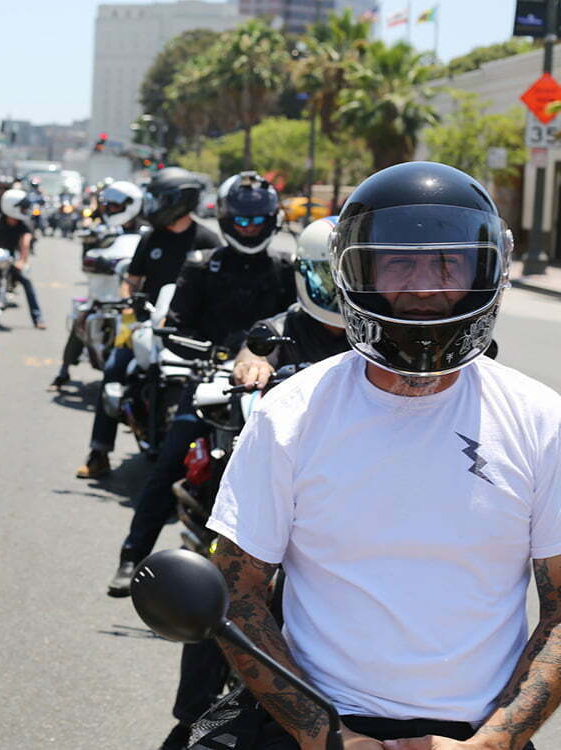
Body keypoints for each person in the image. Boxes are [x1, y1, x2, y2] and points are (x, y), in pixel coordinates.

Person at [203, 161, 558, 750]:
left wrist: (493, 743)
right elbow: (236, 595)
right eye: (399, 261)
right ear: (355, 271)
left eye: (448, 262)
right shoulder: (289, 413)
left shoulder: (541, 420)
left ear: (487, 271)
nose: (423, 285)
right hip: (319, 726)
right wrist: (327, 736)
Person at [158, 216, 350, 750]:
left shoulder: (376, 336)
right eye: (325, 278)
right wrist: (252, 368)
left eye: (345, 278)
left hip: (344, 493)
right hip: (272, 482)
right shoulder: (281, 326)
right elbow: (253, 352)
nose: (335, 291)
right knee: (222, 586)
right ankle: (193, 714)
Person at [106, 170, 294, 598]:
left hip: (275, 388)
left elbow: (299, 324)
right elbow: (177, 326)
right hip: (212, 380)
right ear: (227, 220)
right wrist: (192, 347)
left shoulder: (286, 269)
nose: (249, 228)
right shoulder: (201, 266)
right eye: (241, 221)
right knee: (168, 460)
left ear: (272, 220)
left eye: (257, 220)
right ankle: (132, 557)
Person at [75, 167, 220, 479]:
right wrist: (131, 308)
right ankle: (98, 453)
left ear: (180, 201)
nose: (154, 206)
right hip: (146, 325)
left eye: (162, 199)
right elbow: (133, 280)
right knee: (114, 369)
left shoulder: (208, 240)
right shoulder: (151, 237)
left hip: (189, 332)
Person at [49, 179, 146, 391]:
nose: (110, 210)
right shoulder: (105, 228)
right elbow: (89, 249)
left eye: (115, 206)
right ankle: (63, 371)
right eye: (108, 206)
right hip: (106, 288)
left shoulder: (147, 231)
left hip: (136, 292)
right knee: (82, 318)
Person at [0, 188, 46, 330]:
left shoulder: (24, 224)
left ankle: (38, 317)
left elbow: (25, 242)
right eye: (22, 208)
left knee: (26, 281)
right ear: (11, 207)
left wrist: (22, 261)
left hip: (9, 260)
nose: (25, 211)